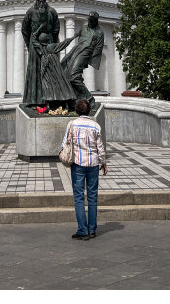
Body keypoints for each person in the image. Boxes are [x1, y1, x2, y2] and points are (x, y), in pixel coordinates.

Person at [21, 0, 74, 108]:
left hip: (49, 44)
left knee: (51, 71)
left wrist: (52, 42)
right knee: (35, 73)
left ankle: (53, 99)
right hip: (35, 46)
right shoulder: (30, 12)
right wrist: (30, 44)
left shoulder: (52, 12)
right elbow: (25, 30)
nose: (41, 1)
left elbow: (56, 29)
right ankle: (35, 100)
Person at [63, 98, 107, 240]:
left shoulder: (72, 125)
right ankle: (92, 230)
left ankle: (82, 230)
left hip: (78, 164)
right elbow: (100, 146)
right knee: (93, 197)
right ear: (89, 111)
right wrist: (104, 162)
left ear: (76, 110)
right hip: (93, 164)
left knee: (79, 197)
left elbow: (65, 143)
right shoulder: (95, 126)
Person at [62, 12, 105, 102]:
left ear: (95, 21)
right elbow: (76, 37)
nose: (89, 21)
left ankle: (89, 98)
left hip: (86, 53)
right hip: (76, 50)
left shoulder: (99, 32)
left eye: (91, 20)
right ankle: (74, 98)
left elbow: (98, 49)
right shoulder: (84, 28)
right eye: (89, 19)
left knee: (73, 76)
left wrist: (89, 60)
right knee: (63, 70)